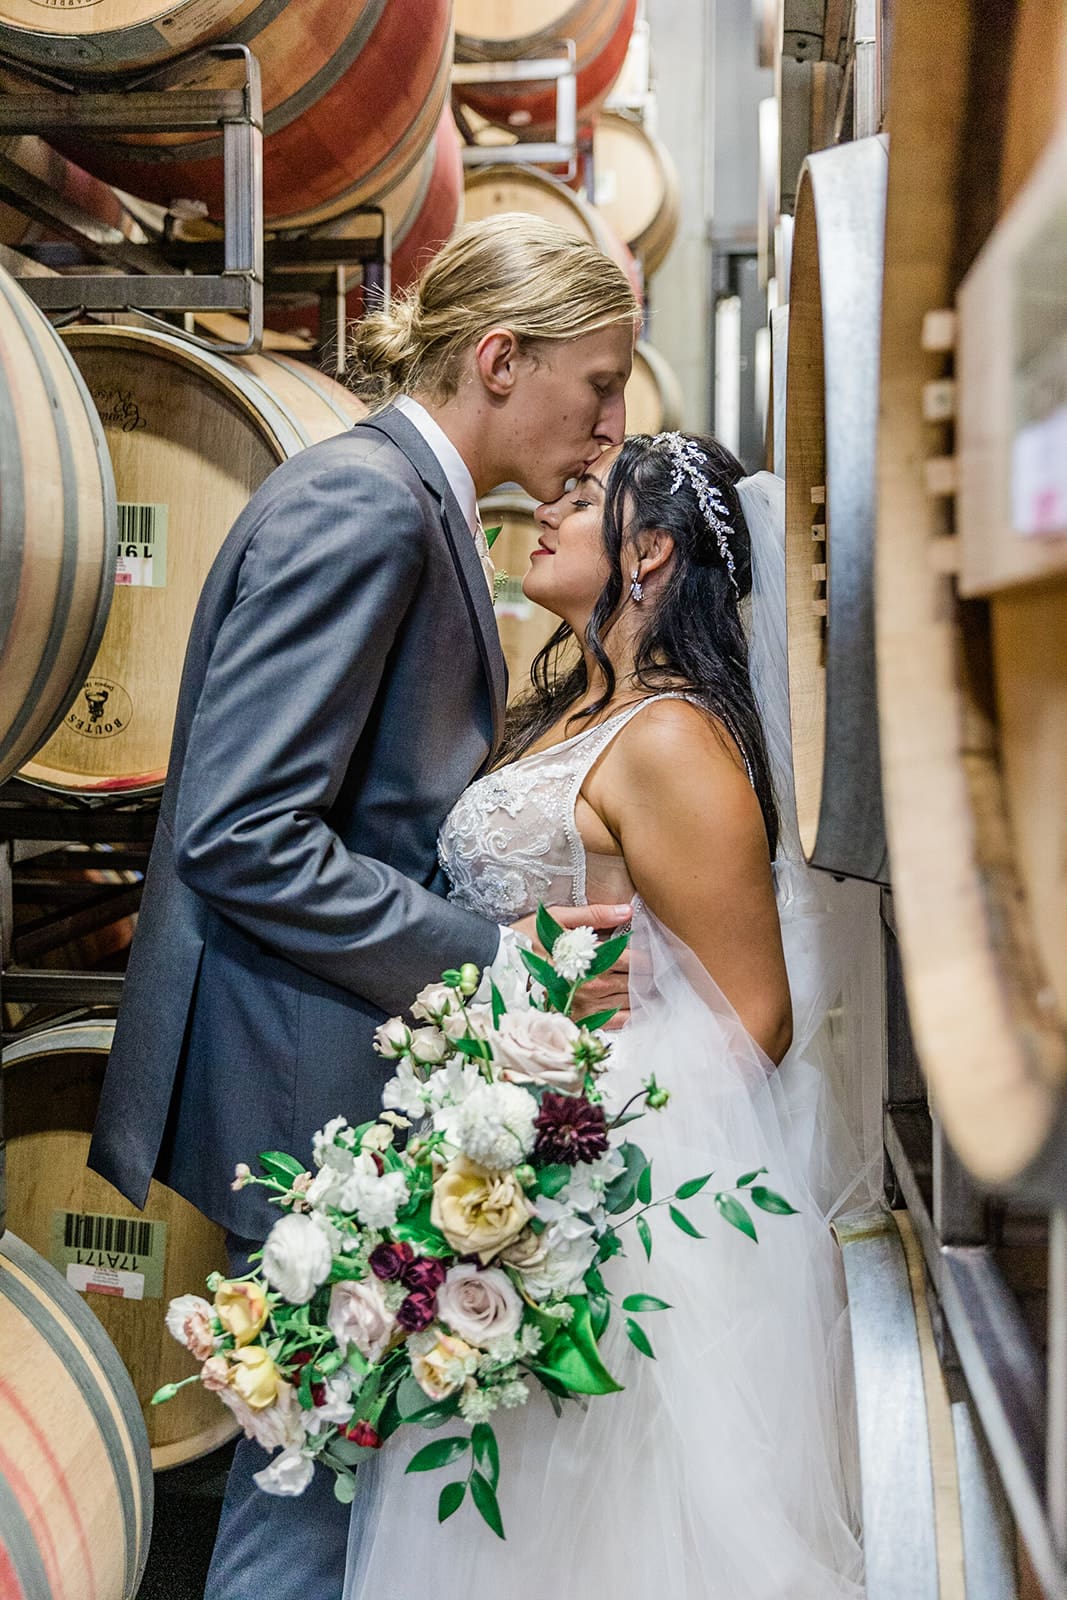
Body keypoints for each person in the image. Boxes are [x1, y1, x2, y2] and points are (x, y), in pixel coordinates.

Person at [87, 213, 640, 1600]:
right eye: (599, 383)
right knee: (306, 1500)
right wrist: (493, 962)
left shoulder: (408, 498)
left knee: (331, 1484)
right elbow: (244, 829)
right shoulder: (366, 504)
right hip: (297, 1082)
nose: (609, 424)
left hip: (318, 1053)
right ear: (502, 360)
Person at [342, 434, 881, 1599]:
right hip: (507, 1144)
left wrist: (557, 1084)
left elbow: (755, 1019)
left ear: (649, 550)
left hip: (612, 1203)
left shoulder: (673, 738)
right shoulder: (578, 704)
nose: (541, 508)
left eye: (581, 498)